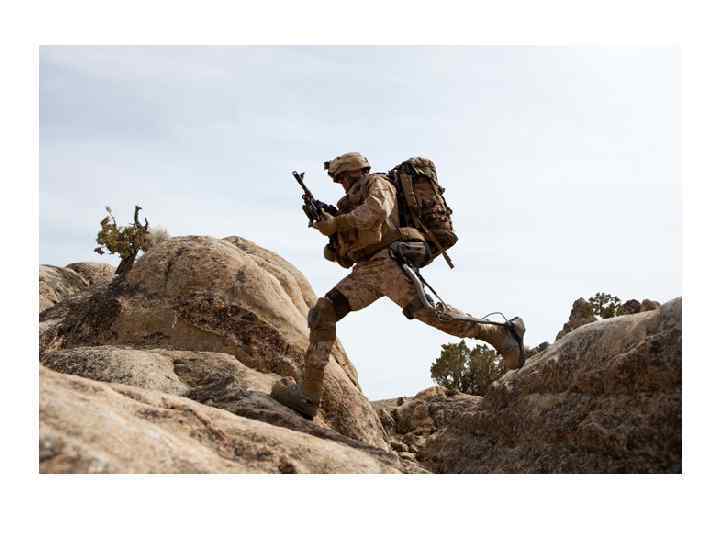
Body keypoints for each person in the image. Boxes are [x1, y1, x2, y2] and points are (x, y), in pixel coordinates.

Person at [271, 152, 526, 419]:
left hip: (389, 263)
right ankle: (309, 395)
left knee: (432, 314)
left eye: (343, 177)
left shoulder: (377, 183)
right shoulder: (348, 204)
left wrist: (337, 224)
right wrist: (333, 239)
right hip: (367, 271)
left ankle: (501, 333)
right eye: (338, 180)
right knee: (323, 311)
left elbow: (377, 210)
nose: (341, 184)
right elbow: (347, 256)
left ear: (356, 171)